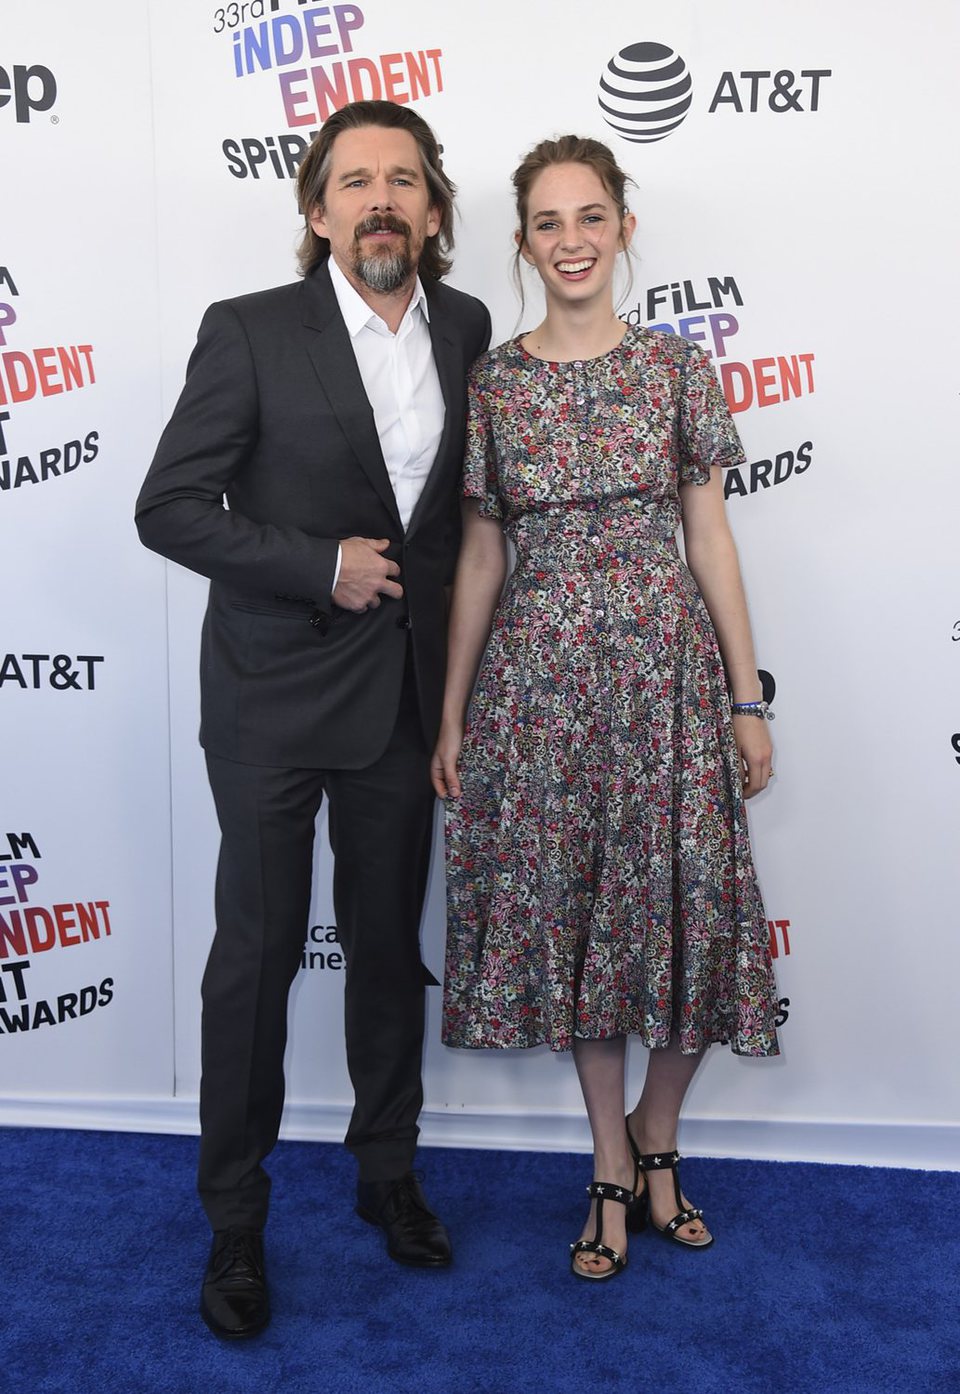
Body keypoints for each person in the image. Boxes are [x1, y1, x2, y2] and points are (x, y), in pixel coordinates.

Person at [136, 99, 491, 1336]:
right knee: (259, 958)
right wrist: (313, 563)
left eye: (402, 180)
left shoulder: (466, 326)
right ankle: (235, 1214)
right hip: (274, 700)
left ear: (433, 211)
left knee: (389, 948)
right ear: (316, 209)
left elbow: (451, 529)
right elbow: (170, 507)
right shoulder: (248, 332)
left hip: (398, 698)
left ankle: (387, 1172)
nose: (379, 199)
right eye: (354, 182)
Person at [431, 135, 779, 1281]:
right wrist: (453, 713)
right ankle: (608, 1164)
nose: (570, 240)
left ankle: (661, 1138)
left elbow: (712, 536)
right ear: (523, 241)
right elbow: (480, 556)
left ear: (624, 227)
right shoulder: (497, 382)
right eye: (546, 221)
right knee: (586, 925)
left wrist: (744, 695)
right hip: (540, 695)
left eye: (591, 216)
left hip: (669, 687)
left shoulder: (677, 366)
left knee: (687, 916)